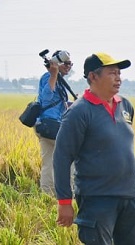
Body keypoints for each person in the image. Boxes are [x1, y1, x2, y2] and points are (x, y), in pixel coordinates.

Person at [54, 53, 135, 245]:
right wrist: (64, 201)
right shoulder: (79, 111)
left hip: (130, 194)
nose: (118, 78)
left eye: (119, 73)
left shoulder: (125, 106)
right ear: (93, 77)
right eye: (111, 72)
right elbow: (61, 157)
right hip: (97, 197)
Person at [34, 49, 75, 196]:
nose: (69, 66)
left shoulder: (59, 80)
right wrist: (53, 74)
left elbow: (58, 103)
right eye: (67, 63)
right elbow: (46, 97)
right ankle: (69, 192)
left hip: (46, 125)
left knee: (49, 162)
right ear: (58, 64)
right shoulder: (49, 76)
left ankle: (47, 195)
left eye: (71, 64)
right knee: (71, 157)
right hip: (51, 125)